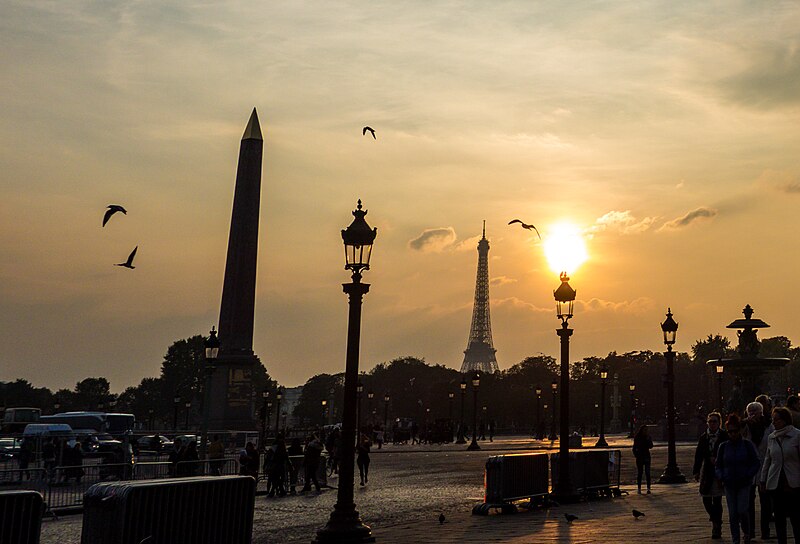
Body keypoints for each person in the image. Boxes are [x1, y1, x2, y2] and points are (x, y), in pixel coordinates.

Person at [716, 413, 761, 544]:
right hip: (729, 483)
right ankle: (735, 539)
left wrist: (748, 474)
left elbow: (756, 462)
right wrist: (721, 475)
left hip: (744, 483)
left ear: (740, 430)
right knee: (733, 514)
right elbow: (718, 465)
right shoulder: (723, 447)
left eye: (735, 431)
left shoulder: (747, 445)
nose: (732, 434)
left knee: (742, 510)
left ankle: (746, 531)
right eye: (730, 432)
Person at [760, 407, 800, 544]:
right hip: (776, 482)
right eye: (773, 419)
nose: (774, 422)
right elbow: (768, 459)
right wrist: (763, 479)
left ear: (785, 420)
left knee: (796, 517)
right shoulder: (772, 437)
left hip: (793, 482)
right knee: (779, 517)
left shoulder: (797, 435)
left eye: (777, 419)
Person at [693, 411, 728, 539]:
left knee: (717, 500)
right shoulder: (704, 437)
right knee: (706, 498)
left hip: (719, 472)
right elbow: (699, 455)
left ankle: (716, 527)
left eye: (714, 421)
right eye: (710, 422)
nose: (712, 424)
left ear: (719, 423)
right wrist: (696, 470)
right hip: (707, 471)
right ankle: (715, 518)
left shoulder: (724, 436)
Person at [742, 400, 773, 540]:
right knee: (748, 502)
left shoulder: (769, 426)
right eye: (750, 413)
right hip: (748, 468)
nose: (753, 415)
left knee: (765, 501)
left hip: (765, 466)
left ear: (761, 414)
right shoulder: (745, 427)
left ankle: (765, 531)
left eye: (756, 413)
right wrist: (745, 422)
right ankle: (750, 531)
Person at [632, 424, 654, 494]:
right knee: (640, 473)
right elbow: (634, 447)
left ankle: (648, 488)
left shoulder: (647, 437)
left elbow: (651, 446)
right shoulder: (638, 437)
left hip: (646, 456)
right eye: (645, 430)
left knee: (647, 473)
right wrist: (636, 455)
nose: (646, 431)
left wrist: (648, 440)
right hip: (640, 456)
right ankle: (639, 488)